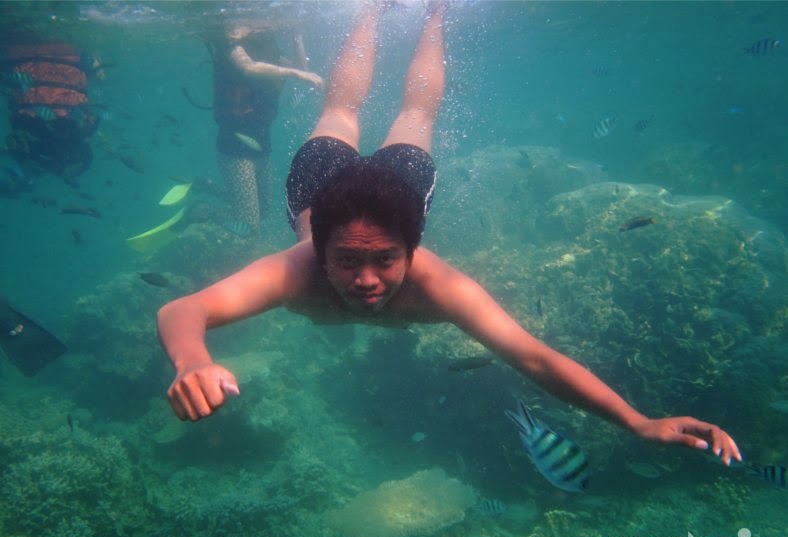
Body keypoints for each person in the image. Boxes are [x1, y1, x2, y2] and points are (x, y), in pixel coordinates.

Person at [158, 2, 741, 466]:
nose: (366, 280)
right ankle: (370, 11)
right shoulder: (295, 269)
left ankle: (435, 12)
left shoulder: (438, 286)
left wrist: (638, 422)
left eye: (386, 259)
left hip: (391, 190)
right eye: (345, 261)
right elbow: (184, 310)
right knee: (340, 108)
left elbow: (534, 359)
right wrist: (191, 362)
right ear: (319, 248)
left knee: (415, 115)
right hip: (322, 186)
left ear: (413, 244)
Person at [207, 23, 324, 236]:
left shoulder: (268, 53)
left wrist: (297, 37)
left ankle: (206, 188)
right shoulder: (231, 45)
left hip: (262, 145)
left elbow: (301, 69)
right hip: (235, 149)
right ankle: (202, 213)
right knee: (249, 223)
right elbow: (248, 67)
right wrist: (296, 74)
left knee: (264, 211)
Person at [3, 39, 101, 184]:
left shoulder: (80, 126)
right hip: (17, 50)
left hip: (68, 49)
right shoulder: (28, 132)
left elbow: (97, 75)